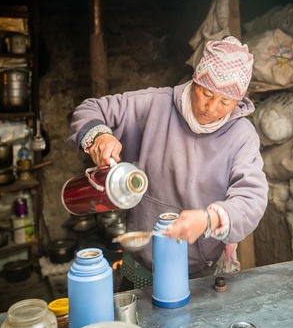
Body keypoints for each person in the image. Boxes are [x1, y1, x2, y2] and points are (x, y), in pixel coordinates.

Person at [67, 36, 268, 288]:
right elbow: (91, 108)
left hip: (197, 272)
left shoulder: (241, 135)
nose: (211, 107)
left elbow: (252, 198)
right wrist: (101, 135)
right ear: (195, 80)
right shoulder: (155, 105)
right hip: (140, 262)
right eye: (206, 93)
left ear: (237, 101)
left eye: (225, 102)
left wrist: (210, 219)